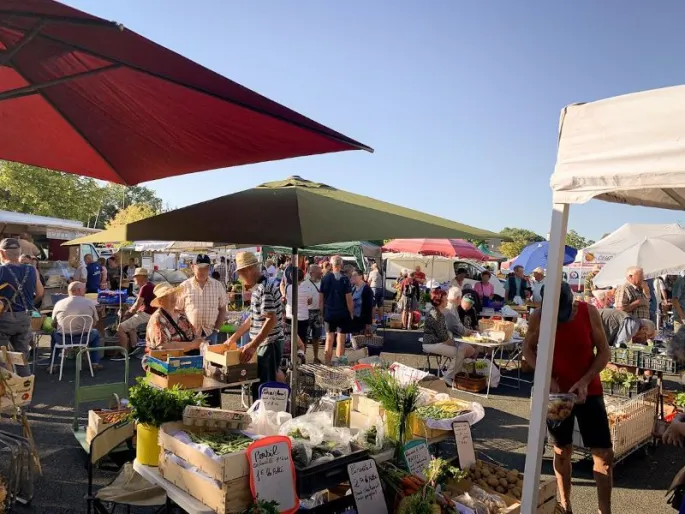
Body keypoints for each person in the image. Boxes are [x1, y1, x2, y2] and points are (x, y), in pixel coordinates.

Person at [523, 282, 612, 514]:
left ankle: (605, 510)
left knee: (602, 454)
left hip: (589, 391)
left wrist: (584, 380)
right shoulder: (538, 316)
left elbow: (604, 351)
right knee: (562, 450)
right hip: (556, 395)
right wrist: (546, 376)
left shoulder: (588, 312)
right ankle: (565, 504)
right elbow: (528, 349)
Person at [225, 252, 283, 400]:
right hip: (263, 344)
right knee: (261, 386)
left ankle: (266, 420)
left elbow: (271, 320)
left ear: (249, 270)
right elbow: (253, 318)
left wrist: (252, 345)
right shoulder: (258, 288)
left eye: (240, 273)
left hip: (268, 344)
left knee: (266, 389)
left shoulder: (265, 288)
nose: (240, 277)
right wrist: (233, 338)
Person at [0, 238, 44, 376]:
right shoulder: (31, 269)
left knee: (1, 357)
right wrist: (29, 305)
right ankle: (25, 388)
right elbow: (40, 293)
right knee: (22, 356)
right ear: (19, 252)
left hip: (4, 318)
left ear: (2, 253)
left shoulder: (1, 270)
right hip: (25, 316)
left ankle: (6, 391)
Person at [422, 289, 473, 386]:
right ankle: (448, 377)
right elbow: (444, 338)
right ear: (439, 301)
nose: (447, 301)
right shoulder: (435, 314)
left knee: (461, 349)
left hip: (436, 343)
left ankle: (451, 375)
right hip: (432, 344)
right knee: (460, 351)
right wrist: (456, 344)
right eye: (445, 299)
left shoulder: (439, 312)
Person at [50, 281, 103, 372]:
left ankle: (53, 364)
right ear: (78, 290)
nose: (85, 291)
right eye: (84, 289)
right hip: (84, 338)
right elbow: (95, 323)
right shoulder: (89, 303)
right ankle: (95, 363)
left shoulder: (59, 303)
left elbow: (53, 323)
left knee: (54, 333)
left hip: (63, 339)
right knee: (95, 333)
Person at [178, 254, 228, 344]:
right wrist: (186, 330)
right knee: (192, 358)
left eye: (206, 268)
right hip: (190, 335)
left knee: (211, 358)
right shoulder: (184, 286)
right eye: (199, 268)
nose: (203, 271)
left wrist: (216, 330)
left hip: (211, 333)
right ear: (192, 267)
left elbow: (222, 309)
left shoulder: (217, 285)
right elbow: (178, 311)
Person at [145, 282, 201, 352]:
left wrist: (200, 342)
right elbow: (162, 347)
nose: (173, 299)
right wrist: (192, 345)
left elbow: (194, 335)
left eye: (174, 295)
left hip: (187, 358)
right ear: (160, 301)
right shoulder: (157, 319)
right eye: (169, 296)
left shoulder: (181, 314)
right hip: (165, 360)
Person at [320, 255, 354, 364]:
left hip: (329, 313)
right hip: (342, 313)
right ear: (341, 265)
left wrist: (321, 313)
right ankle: (339, 365)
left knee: (329, 339)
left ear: (331, 264)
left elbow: (321, 299)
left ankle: (327, 364)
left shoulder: (325, 279)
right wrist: (351, 312)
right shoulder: (345, 279)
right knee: (341, 340)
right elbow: (349, 299)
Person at [117, 268, 156, 352]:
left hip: (148, 314)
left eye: (135, 277)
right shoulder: (150, 285)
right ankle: (134, 346)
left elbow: (138, 303)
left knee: (120, 328)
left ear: (141, 277)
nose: (134, 279)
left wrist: (129, 312)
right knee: (131, 326)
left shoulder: (145, 287)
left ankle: (123, 353)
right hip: (152, 312)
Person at [284, 267, 310, 363]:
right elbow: (309, 301)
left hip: (290, 316)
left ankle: (291, 360)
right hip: (303, 316)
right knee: (302, 340)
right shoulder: (306, 288)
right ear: (302, 278)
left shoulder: (288, 287)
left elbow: (285, 297)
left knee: (290, 340)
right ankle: (301, 359)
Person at [303, 264, 323, 363]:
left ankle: (316, 357)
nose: (321, 274)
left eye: (321, 273)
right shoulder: (304, 284)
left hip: (318, 312)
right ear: (311, 273)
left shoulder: (322, 283)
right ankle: (303, 357)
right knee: (305, 337)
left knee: (317, 336)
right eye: (319, 273)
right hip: (307, 313)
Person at [351, 269, 374, 335]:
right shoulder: (353, 288)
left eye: (355, 275)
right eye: (352, 276)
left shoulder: (366, 289)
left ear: (361, 276)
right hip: (353, 318)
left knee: (360, 340)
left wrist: (368, 323)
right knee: (354, 339)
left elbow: (369, 307)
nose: (353, 277)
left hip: (361, 319)